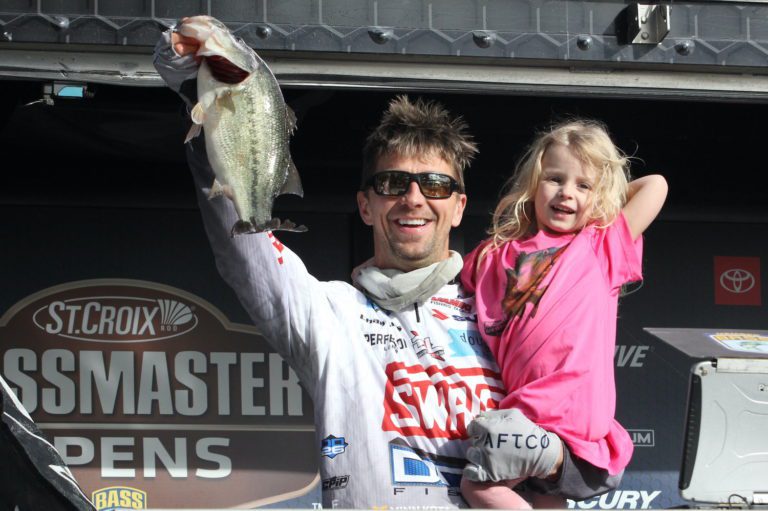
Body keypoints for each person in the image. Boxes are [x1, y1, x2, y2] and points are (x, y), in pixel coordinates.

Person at [153, 21, 513, 509]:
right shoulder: (329, 313)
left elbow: (583, 428)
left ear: (459, 206)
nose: (413, 199)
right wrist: (195, 84)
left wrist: (560, 463)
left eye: (434, 185)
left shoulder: (509, 312)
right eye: (391, 184)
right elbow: (243, 245)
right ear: (365, 206)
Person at [458, 120, 668, 509]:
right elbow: (442, 278)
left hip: (560, 421)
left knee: (479, 487)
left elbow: (655, 184)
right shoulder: (492, 255)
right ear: (533, 184)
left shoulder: (601, 245)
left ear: (599, 196)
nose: (567, 193)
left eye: (584, 185)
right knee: (543, 498)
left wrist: (606, 197)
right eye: (555, 178)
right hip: (532, 424)